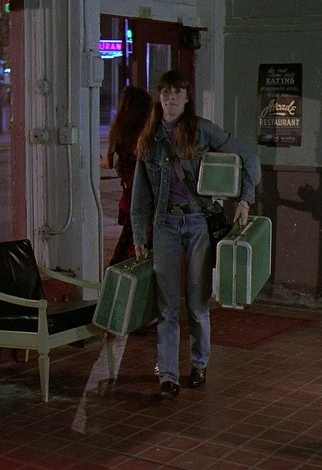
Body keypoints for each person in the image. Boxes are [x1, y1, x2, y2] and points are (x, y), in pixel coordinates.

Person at [131, 70, 260, 398]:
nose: (171, 99)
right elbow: (140, 195)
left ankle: (199, 364)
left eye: (177, 93)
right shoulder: (149, 138)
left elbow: (248, 158)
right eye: (166, 93)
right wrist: (139, 235)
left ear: (187, 98)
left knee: (197, 302)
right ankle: (168, 375)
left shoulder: (202, 130)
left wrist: (244, 199)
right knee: (167, 306)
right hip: (165, 225)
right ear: (159, 98)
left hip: (198, 222)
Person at [103, 86, 153, 266]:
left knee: (128, 242)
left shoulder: (118, 131)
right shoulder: (146, 136)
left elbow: (110, 163)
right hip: (144, 197)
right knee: (142, 245)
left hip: (128, 195)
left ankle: (120, 273)